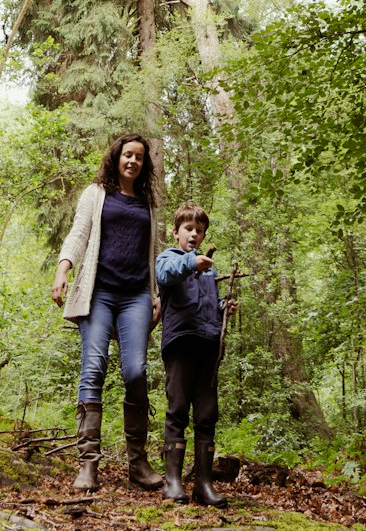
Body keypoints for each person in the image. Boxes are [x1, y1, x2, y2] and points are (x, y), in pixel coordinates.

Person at [51, 134, 164, 494]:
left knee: (135, 371)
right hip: (98, 293)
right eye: (127, 155)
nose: (132, 161)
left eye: (139, 158)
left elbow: (153, 250)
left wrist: (156, 292)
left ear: (144, 165)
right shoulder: (95, 193)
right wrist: (62, 271)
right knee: (94, 367)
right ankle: (87, 464)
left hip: (136, 296)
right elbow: (78, 235)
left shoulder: (147, 202)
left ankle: (138, 463)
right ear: (116, 157)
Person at [155, 202, 237, 507]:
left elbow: (205, 304)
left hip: (207, 346)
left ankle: (203, 483)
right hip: (180, 343)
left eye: (199, 231)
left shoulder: (208, 269)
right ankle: (173, 481)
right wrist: (192, 263)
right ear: (176, 232)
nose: (193, 234)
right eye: (188, 229)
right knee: (177, 408)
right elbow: (166, 276)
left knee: (207, 414)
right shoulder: (169, 259)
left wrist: (222, 309)